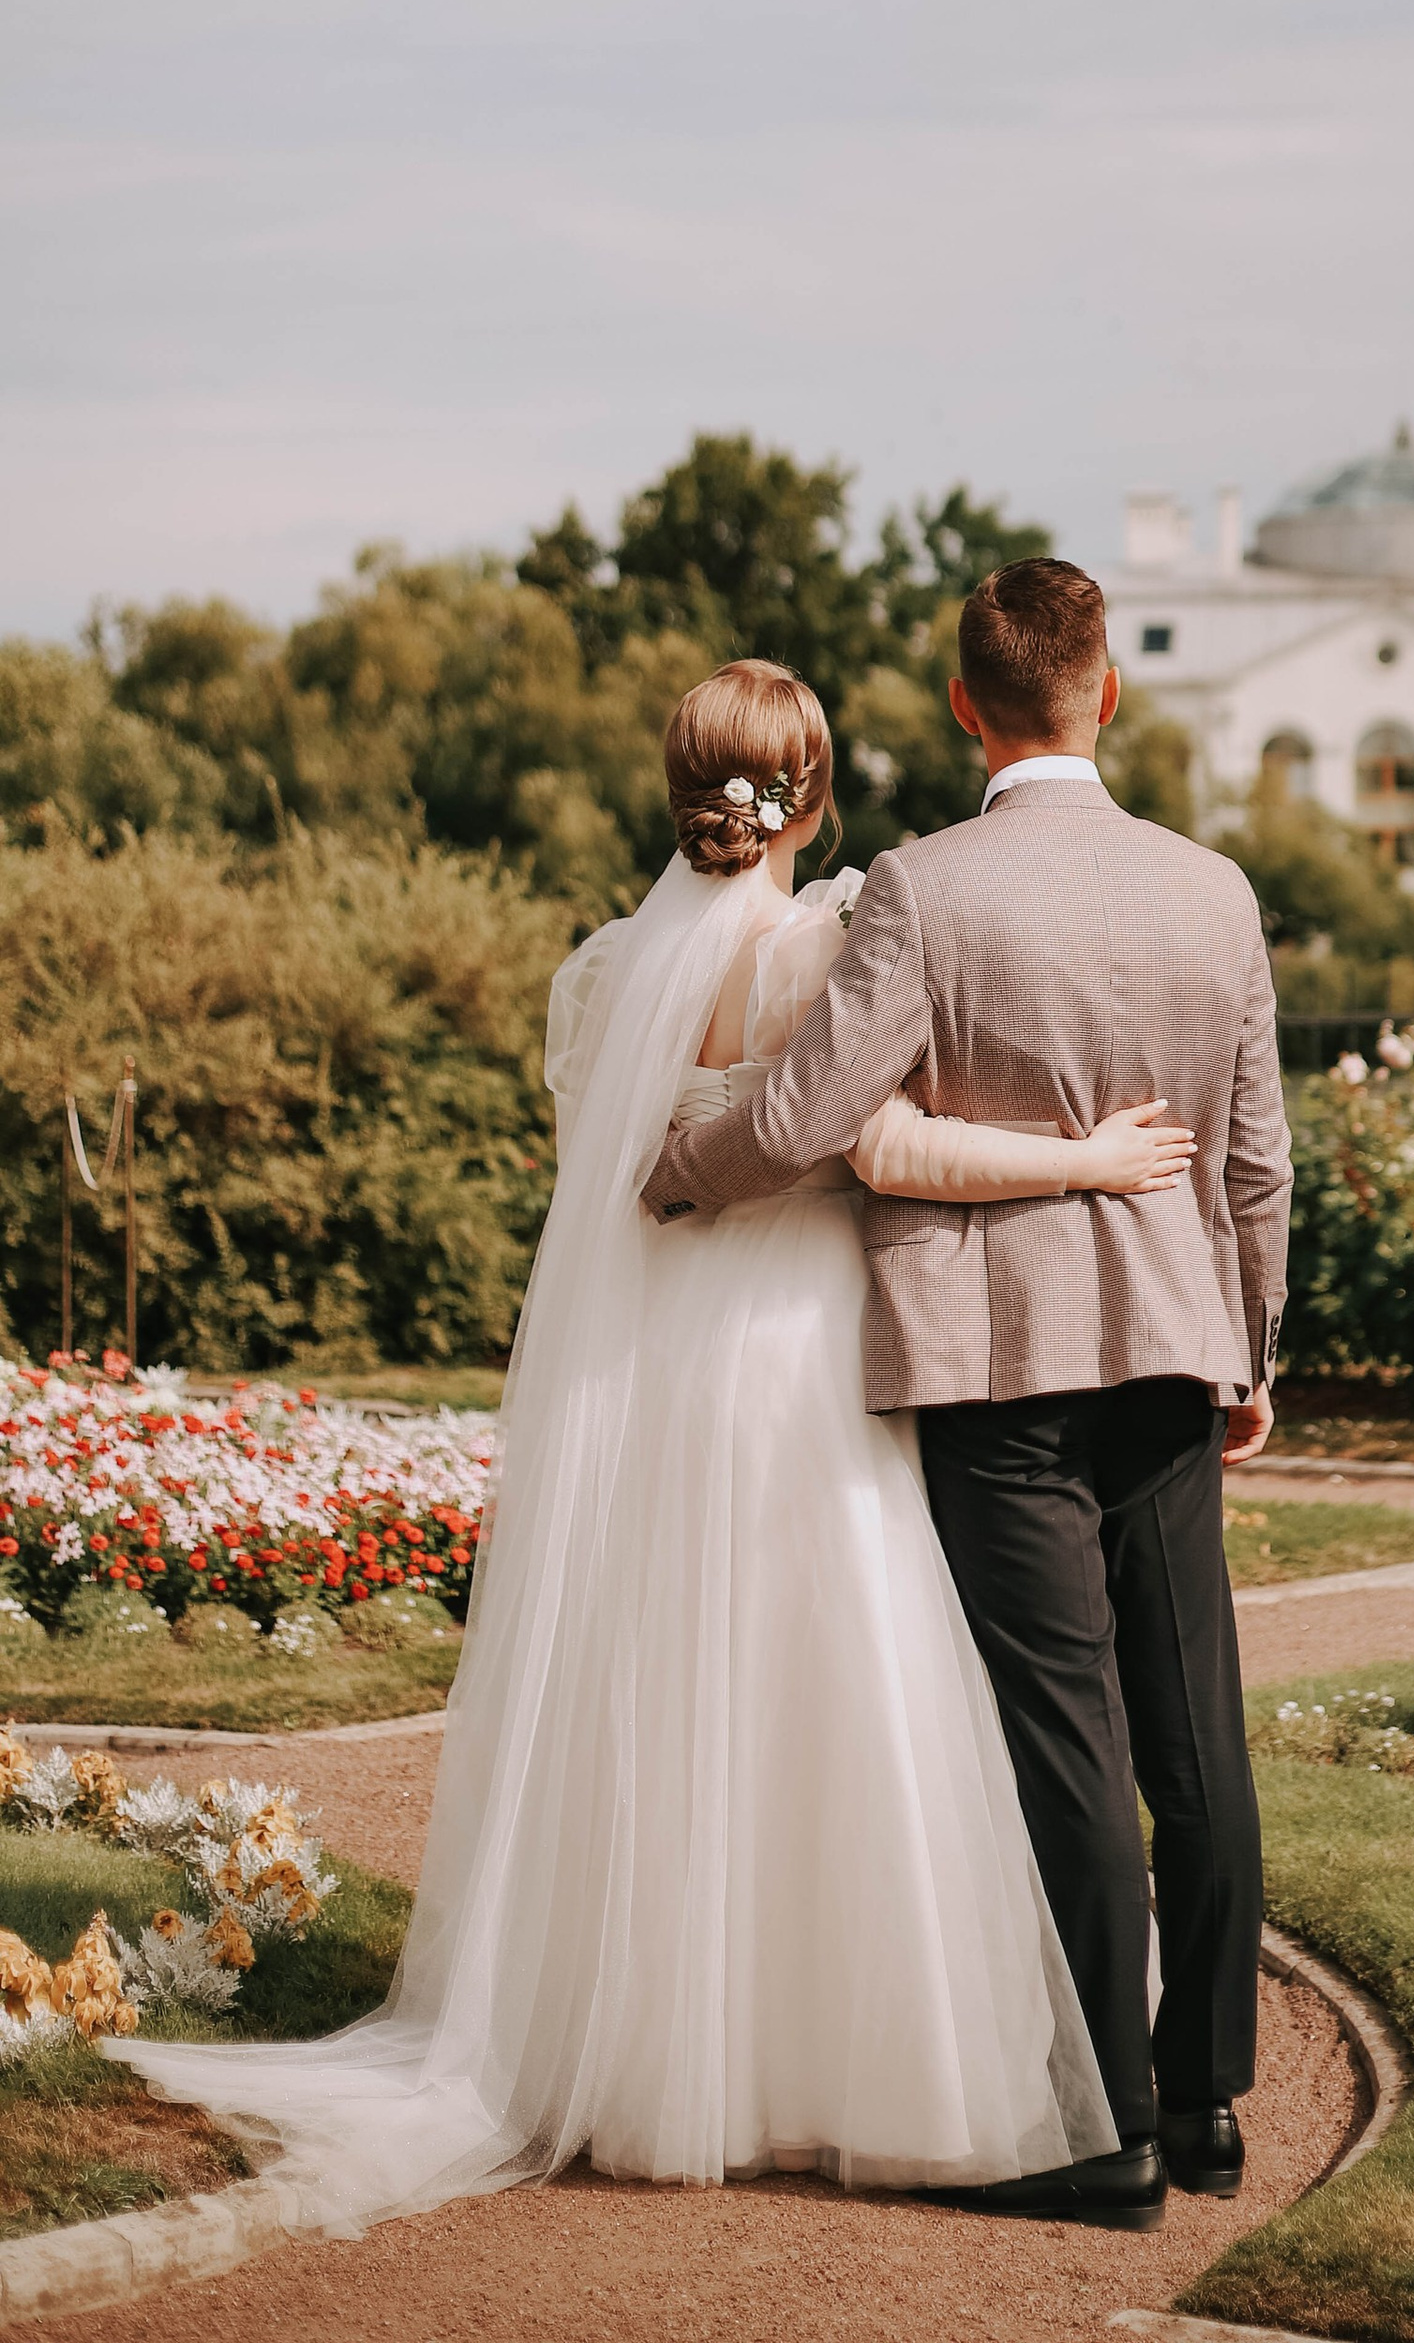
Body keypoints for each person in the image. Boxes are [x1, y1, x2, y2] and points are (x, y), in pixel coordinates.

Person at [113, 659, 1200, 2229]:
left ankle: (649, 2046)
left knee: (670, 1673)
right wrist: (1083, 1159)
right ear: (811, 793)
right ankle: (843, 2064)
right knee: (833, 1673)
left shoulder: (604, 972)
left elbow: (617, 1182)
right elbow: (873, 1144)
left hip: (662, 1355)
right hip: (800, 1341)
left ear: (684, 789)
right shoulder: (828, 940)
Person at [644, 557, 1293, 2231]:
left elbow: (809, 1116)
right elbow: (1255, 1163)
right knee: (1194, 1732)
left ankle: (1105, 2128)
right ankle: (1208, 2101)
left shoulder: (925, 889)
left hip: (997, 1367)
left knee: (1067, 1739)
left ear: (961, 704)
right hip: (1175, 1351)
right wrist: (1252, 1349)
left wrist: (678, 1170)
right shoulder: (1216, 890)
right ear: (1108, 691)